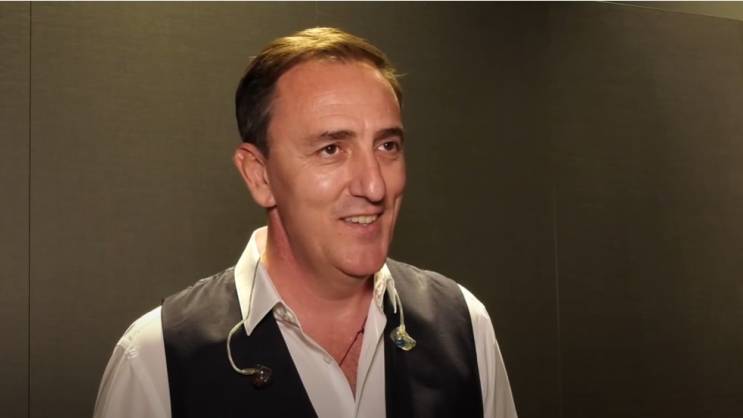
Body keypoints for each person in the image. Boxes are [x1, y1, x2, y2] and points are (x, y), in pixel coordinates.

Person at [93, 27, 517, 418]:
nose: (374, 186)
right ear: (259, 176)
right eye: (331, 149)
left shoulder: (463, 326)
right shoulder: (156, 363)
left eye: (387, 145)